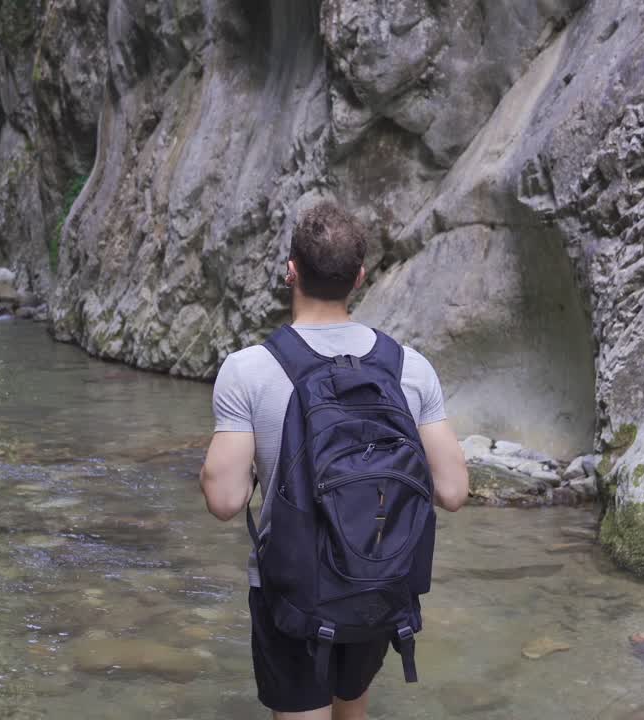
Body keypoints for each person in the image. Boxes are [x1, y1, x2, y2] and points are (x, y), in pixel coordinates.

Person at [199, 201, 470, 720]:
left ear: (291, 271)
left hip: (292, 590)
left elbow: (225, 500)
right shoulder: (407, 367)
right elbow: (454, 491)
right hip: (378, 579)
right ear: (360, 278)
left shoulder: (248, 370)